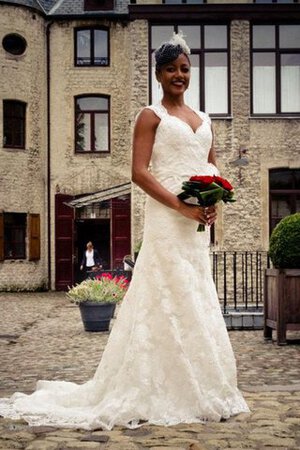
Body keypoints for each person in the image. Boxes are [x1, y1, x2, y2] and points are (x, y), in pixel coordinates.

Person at [0, 32, 249, 430]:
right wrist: (181, 206)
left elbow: (212, 167)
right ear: (158, 74)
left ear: (191, 72)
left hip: (195, 227)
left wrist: (213, 203)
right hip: (168, 219)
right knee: (166, 293)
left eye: (184, 68)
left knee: (196, 292)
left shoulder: (204, 120)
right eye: (171, 69)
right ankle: (152, 386)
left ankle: (201, 384)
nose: (178, 75)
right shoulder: (151, 116)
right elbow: (139, 172)